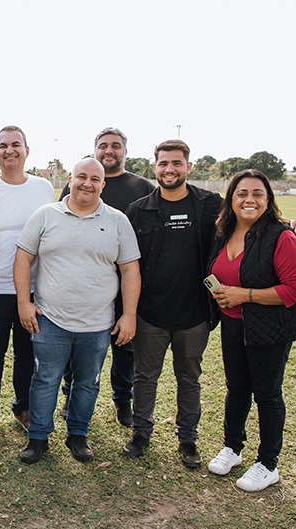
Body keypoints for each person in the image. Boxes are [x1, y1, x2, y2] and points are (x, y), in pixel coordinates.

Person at [14, 158, 140, 464]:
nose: (87, 183)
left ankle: (77, 434)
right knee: (45, 379)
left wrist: (129, 315)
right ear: (70, 180)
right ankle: (38, 437)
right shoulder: (45, 216)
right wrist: (23, 302)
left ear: (103, 185)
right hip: (50, 318)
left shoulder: (118, 221)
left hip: (98, 323)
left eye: (94, 179)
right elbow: (22, 258)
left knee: (87, 382)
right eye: (81, 177)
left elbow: (130, 270)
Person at [123, 139, 223, 468]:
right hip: (149, 314)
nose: (170, 169)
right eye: (164, 163)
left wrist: (284, 224)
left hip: (195, 315)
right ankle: (141, 434)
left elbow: (246, 223)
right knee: (145, 377)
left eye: (177, 163)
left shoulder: (211, 205)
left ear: (188, 167)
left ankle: (188, 440)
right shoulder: (139, 210)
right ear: (154, 167)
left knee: (189, 379)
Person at [206, 170, 296, 491]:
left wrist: (244, 295)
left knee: (267, 393)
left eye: (257, 194)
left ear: (268, 200)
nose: (249, 199)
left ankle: (267, 464)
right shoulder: (222, 232)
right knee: (236, 388)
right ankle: (232, 448)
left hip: (269, 328)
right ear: (231, 199)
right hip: (232, 325)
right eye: (242, 193)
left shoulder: (281, 236)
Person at [58, 127, 154, 426]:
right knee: (76, 344)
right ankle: (71, 394)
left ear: (125, 151)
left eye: (115, 145)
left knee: (124, 346)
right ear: (95, 149)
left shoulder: (142, 187)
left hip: (126, 280)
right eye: (103, 145)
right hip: (84, 282)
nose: (109, 150)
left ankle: (122, 399)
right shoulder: (77, 185)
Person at [0, 125, 55, 436]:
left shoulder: (43, 188)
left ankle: (24, 408)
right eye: (3, 145)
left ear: (26, 150)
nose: (10, 150)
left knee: (26, 352)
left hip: (33, 289)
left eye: (16, 144)